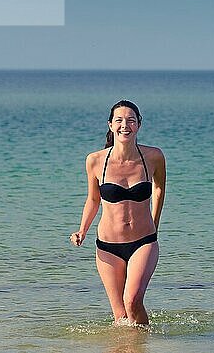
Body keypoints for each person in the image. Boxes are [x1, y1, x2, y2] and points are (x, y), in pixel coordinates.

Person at [70, 100, 166, 326]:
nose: (125, 125)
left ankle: (143, 342)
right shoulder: (95, 160)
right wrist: (82, 230)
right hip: (107, 246)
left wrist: (155, 224)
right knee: (121, 316)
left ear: (139, 125)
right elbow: (93, 199)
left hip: (144, 242)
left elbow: (159, 188)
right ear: (111, 125)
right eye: (119, 120)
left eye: (131, 120)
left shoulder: (154, 157)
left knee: (132, 301)